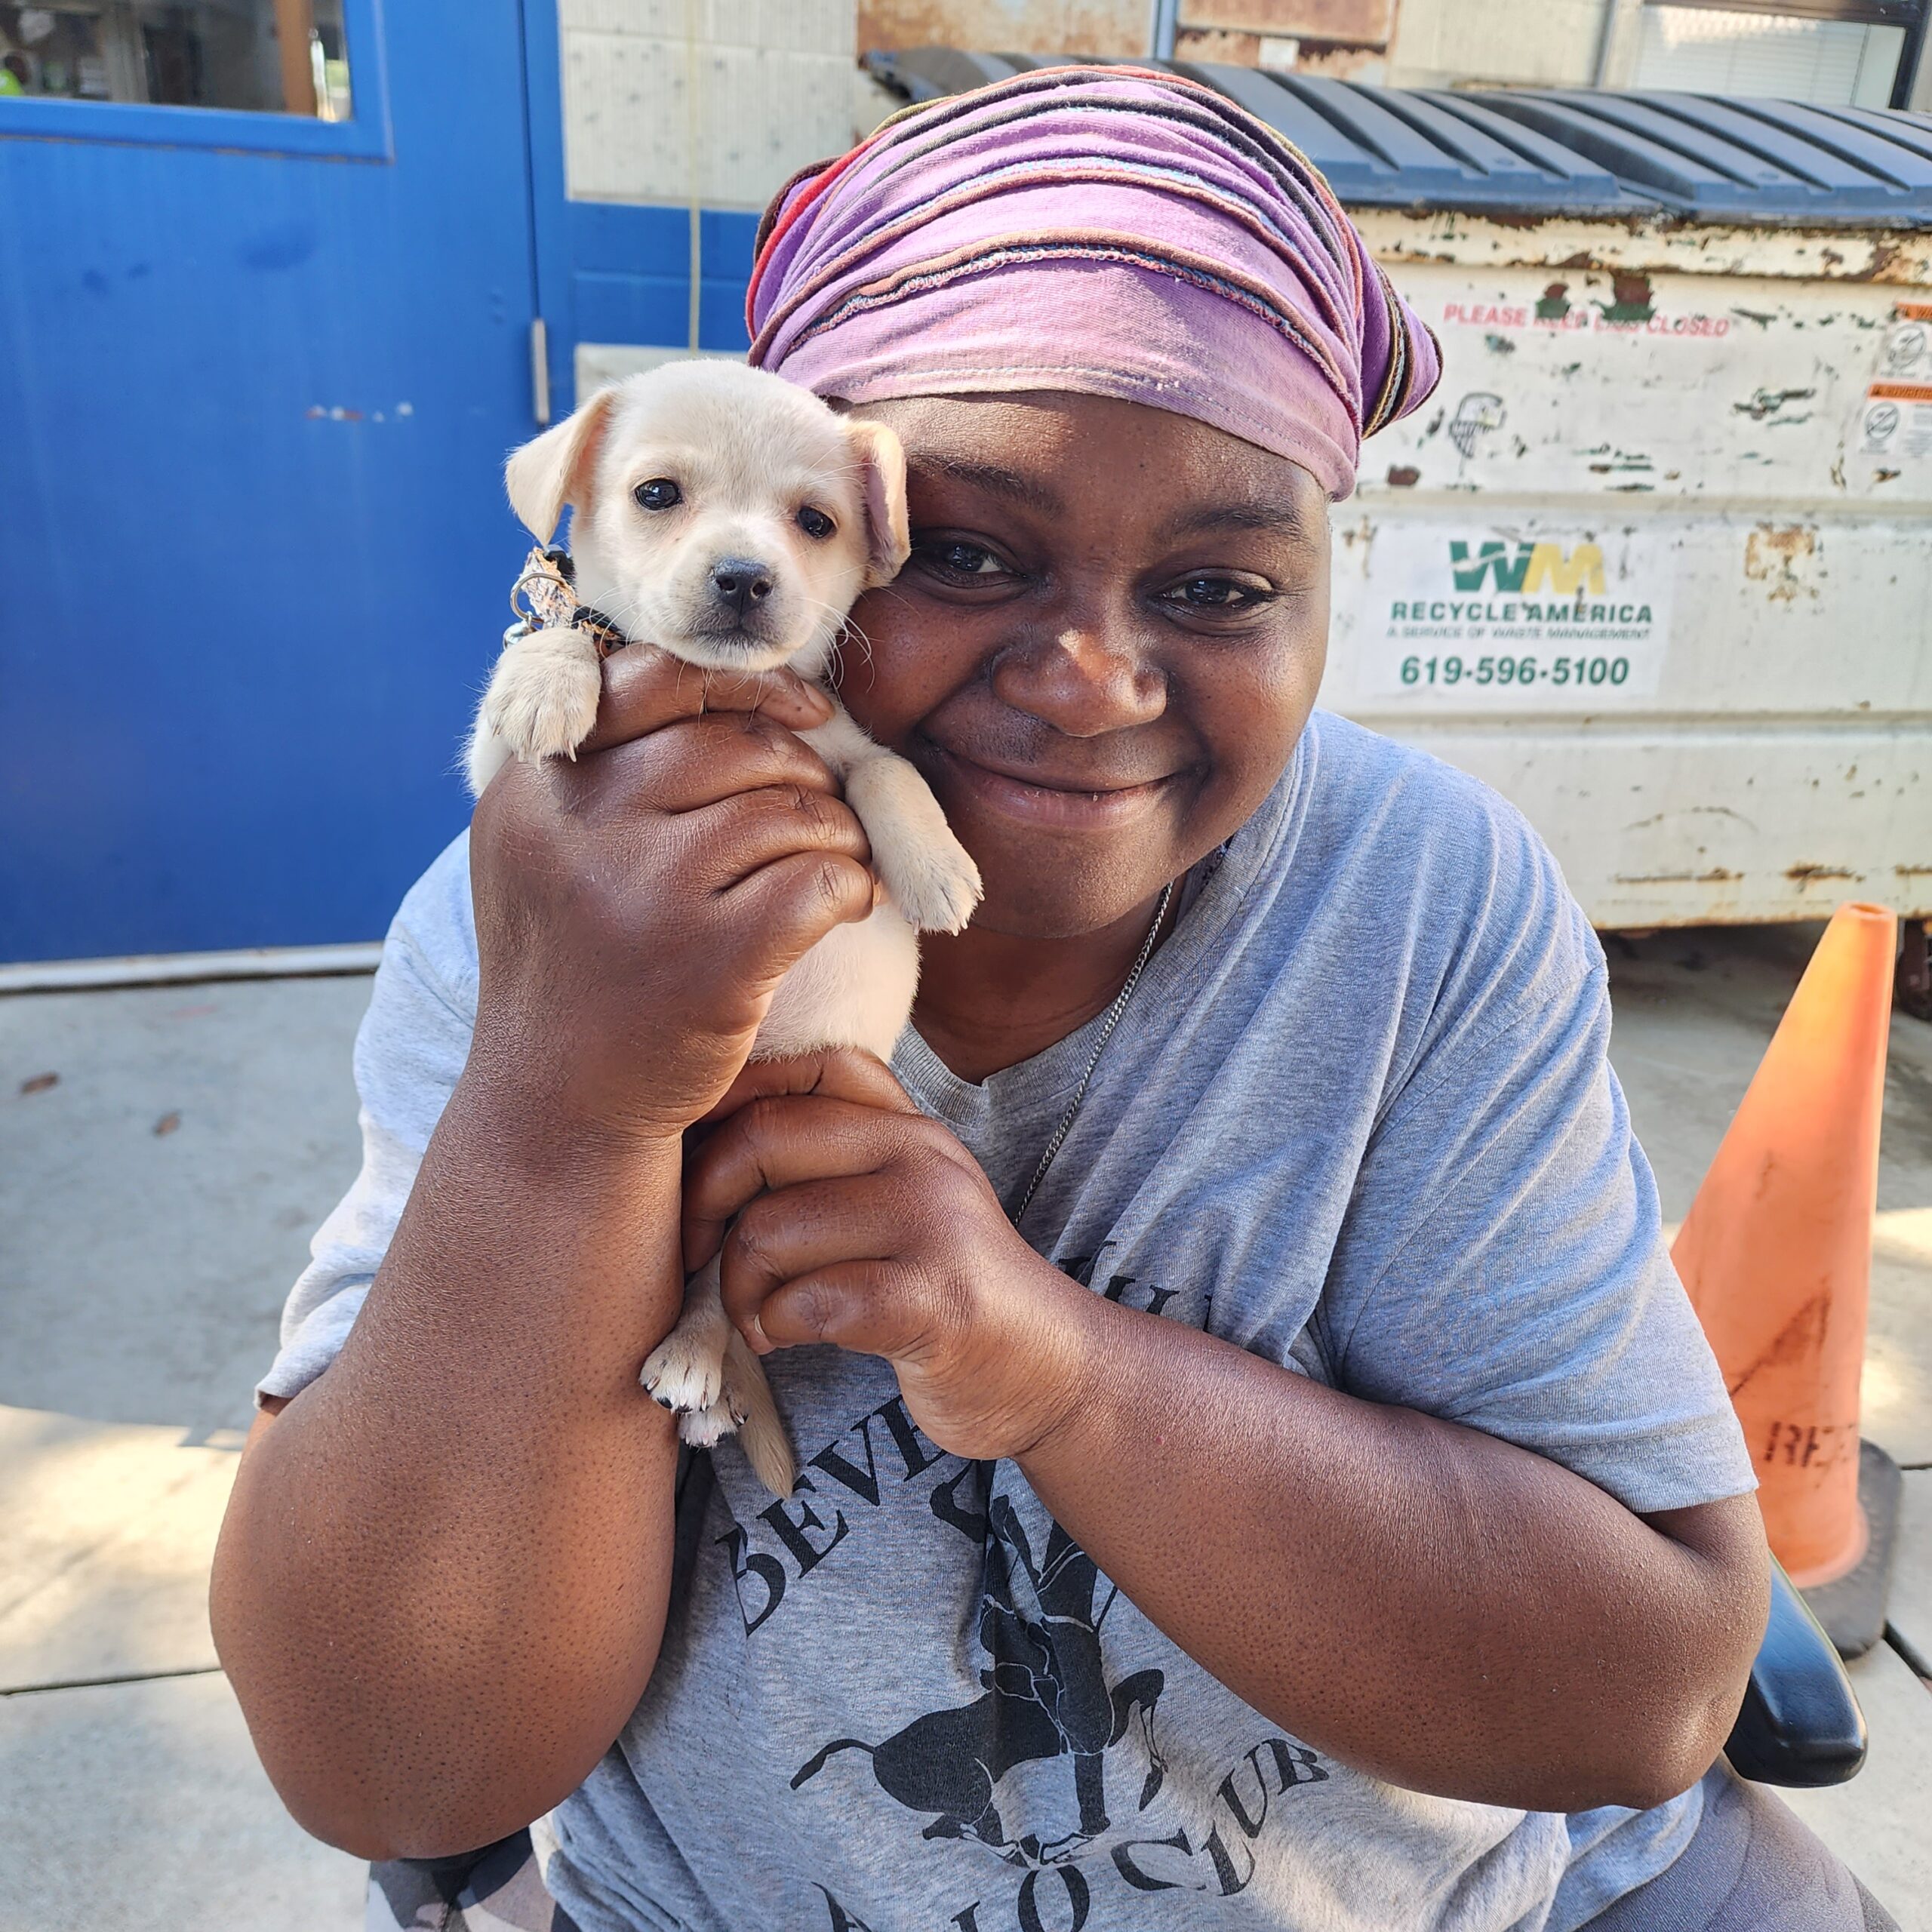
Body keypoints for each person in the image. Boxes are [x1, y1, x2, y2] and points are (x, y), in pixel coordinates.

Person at [211, 66, 1894, 1932]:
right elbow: (388, 1764)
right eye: (965, 550)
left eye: (1217, 581)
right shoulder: (543, 914)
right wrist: (565, 1105)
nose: (1091, 677)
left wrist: (1053, 1361)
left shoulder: (1419, 904)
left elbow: (1647, 1681)